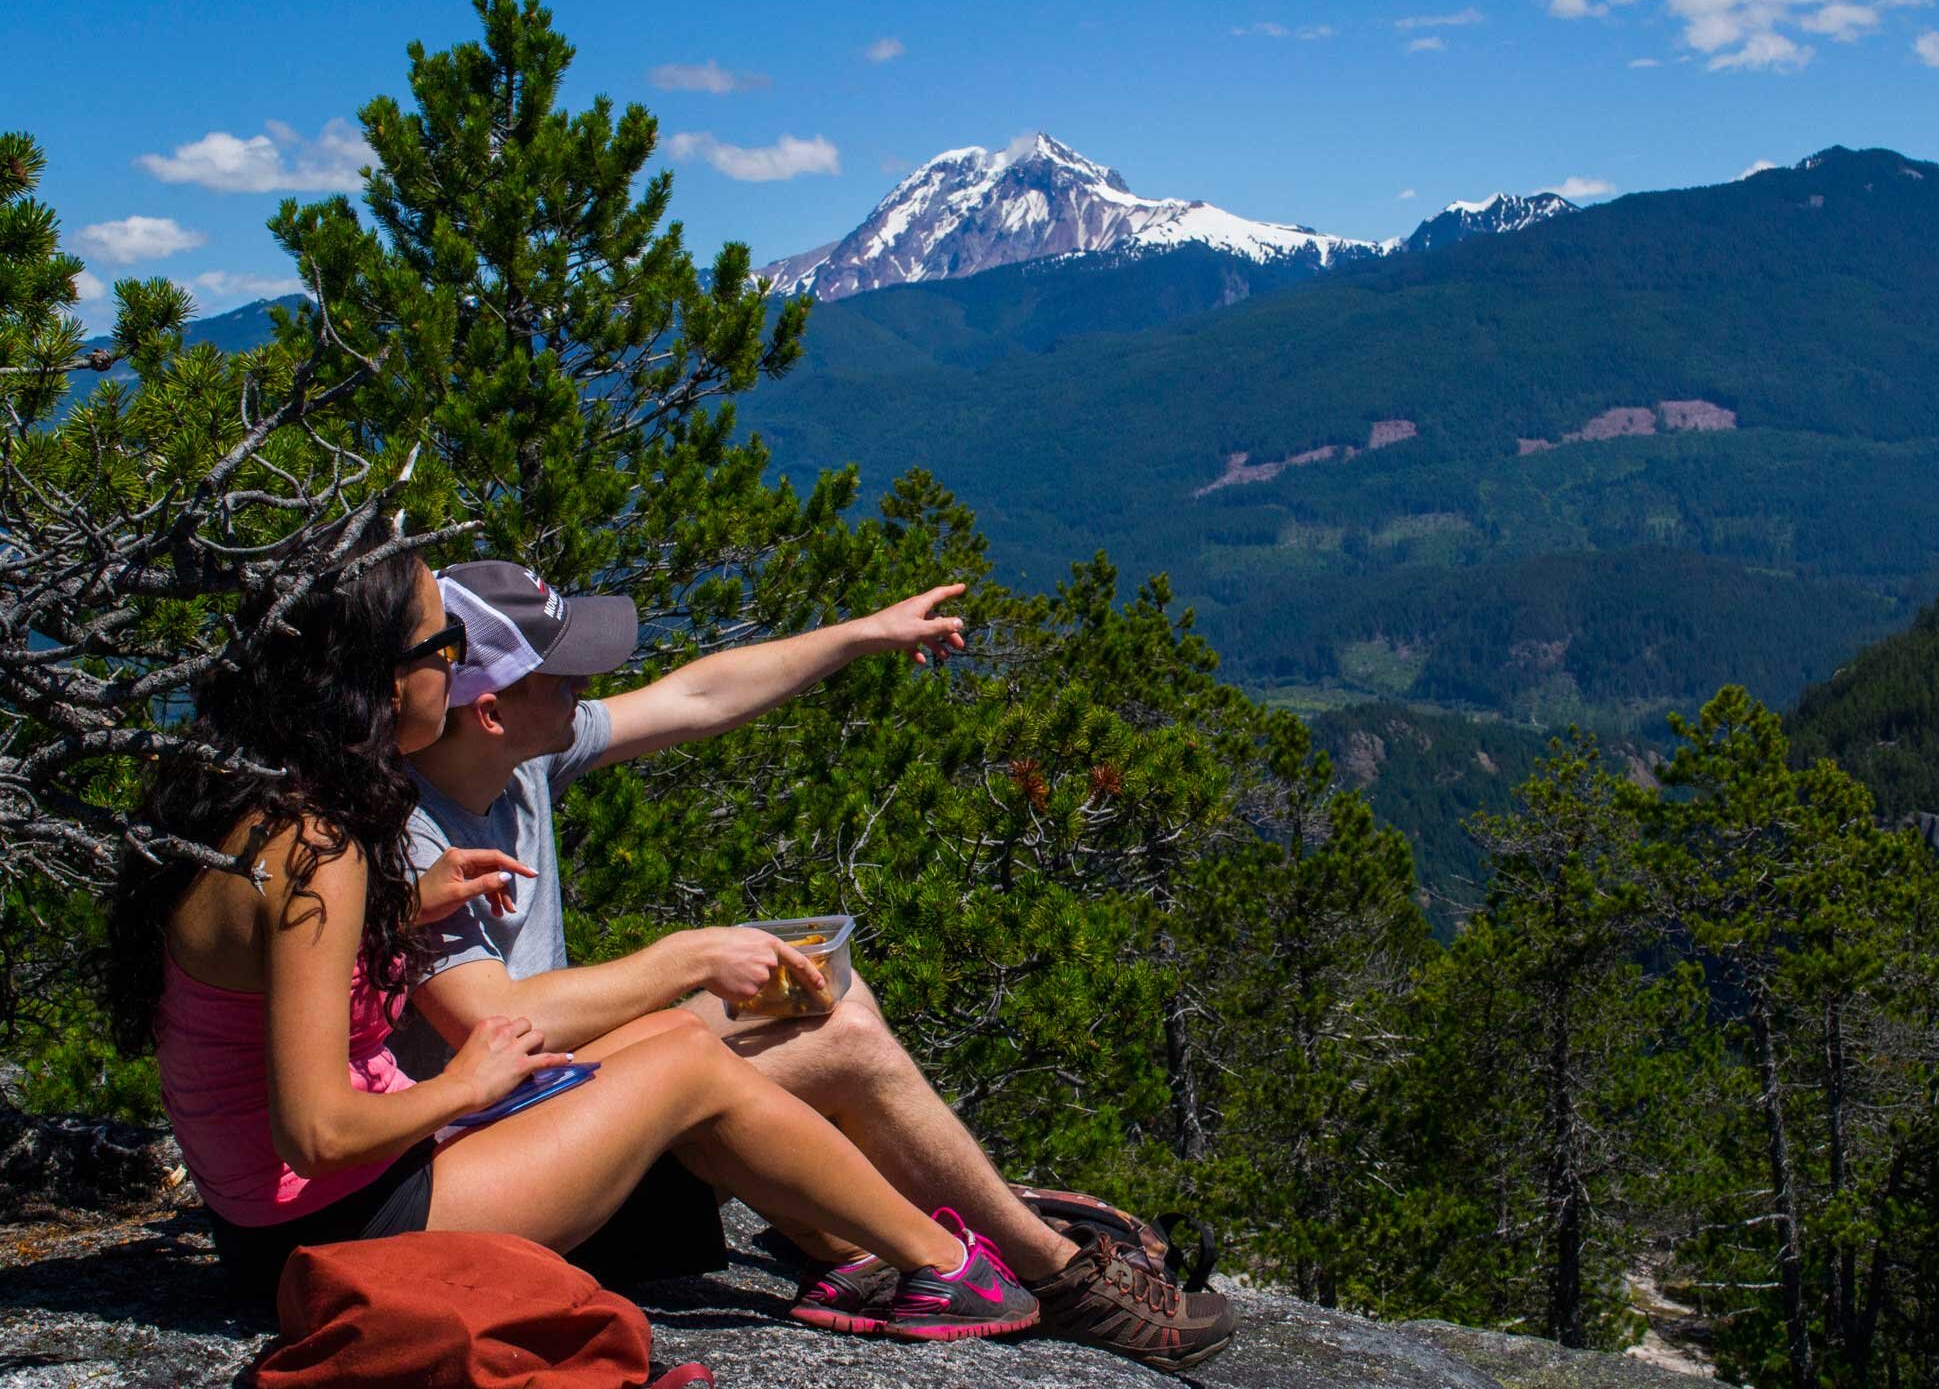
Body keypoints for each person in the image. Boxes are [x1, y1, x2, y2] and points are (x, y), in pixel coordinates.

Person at [104, 521, 1037, 1343]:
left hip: (294, 1217)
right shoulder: (322, 847)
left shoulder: (263, 802)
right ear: (380, 682)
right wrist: (464, 1085)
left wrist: (401, 906)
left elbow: (263, 968)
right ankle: (945, 1267)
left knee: (678, 1035)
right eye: (442, 644)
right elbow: (315, 1131)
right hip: (330, 1234)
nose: (454, 658)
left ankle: (893, 1256)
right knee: (687, 1061)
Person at [387, 559, 1241, 1371]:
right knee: (846, 1041)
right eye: (563, 672)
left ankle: (861, 1239)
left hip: (558, 1106)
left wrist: (862, 634)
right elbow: (487, 1020)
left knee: (824, 991)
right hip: (521, 1165)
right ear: (492, 709)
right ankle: (1057, 1278)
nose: (585, 685)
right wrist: (686, 957)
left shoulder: (520, 758)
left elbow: (697, 694)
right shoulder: (410, 834)